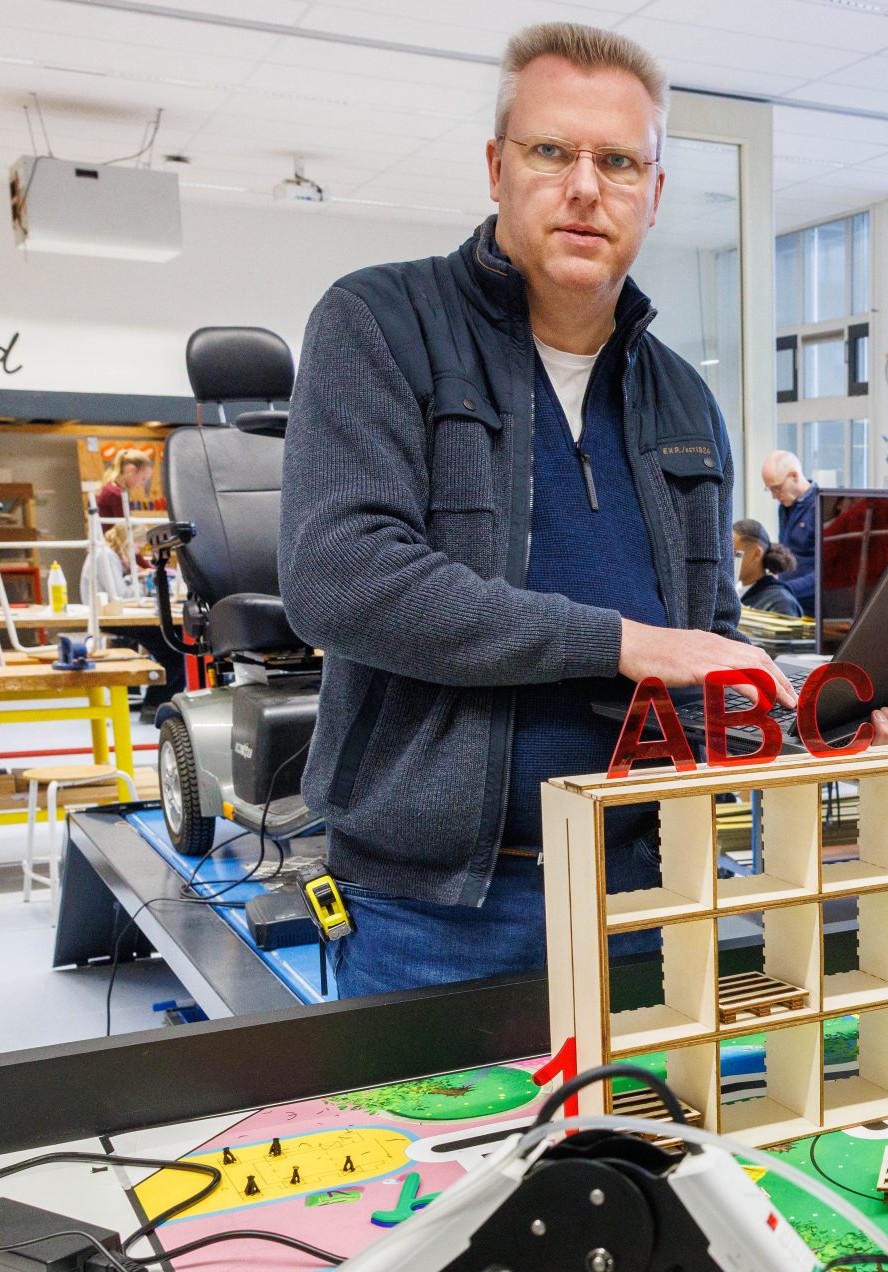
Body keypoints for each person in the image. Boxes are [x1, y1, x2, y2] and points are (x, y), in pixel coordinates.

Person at [281, 22, 795, 995]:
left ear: (654, 190)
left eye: (619, 161)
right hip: (434, 914)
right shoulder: (381, 326)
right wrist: (620, 640)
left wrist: (817, 726)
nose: (585, 185)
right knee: (442, 1151)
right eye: (552, 151)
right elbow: (340, 577)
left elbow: (704, 646)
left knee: (637, 1152)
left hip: (644, 890)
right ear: (496, 165)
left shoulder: (680, 397)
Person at [760, 449, 819, 612]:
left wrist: (784, 587)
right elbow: (789, 554)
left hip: (812, 607)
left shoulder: (819, 509)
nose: (774, 496)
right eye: (770, 490)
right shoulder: (785, 507)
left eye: (777, 488)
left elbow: (824, 573)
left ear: (794, 475)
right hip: (790, 601)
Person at [732, 519, 804, 618]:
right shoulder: (733, 592)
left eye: (734, 553)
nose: (727, 560)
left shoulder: (780, 602)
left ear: (757, 554)